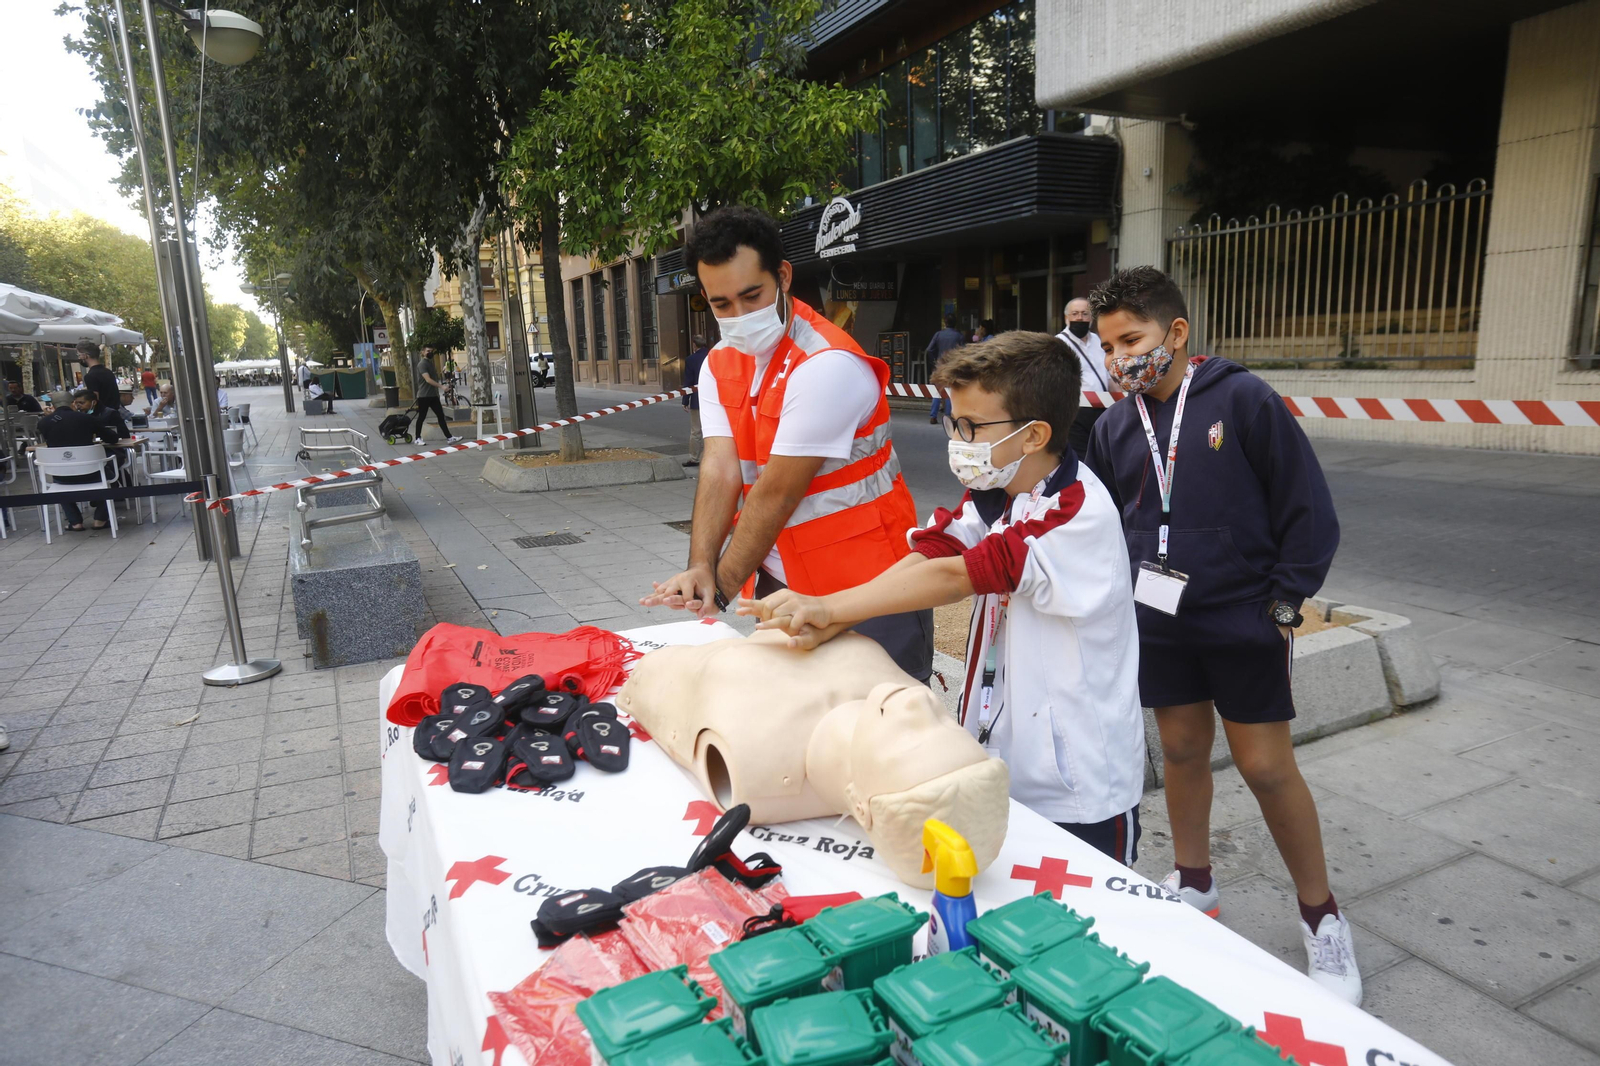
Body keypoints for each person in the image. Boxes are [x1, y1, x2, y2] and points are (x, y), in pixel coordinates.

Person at [741, 331, 1145, 861]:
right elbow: (933, 551)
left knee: (1088, 927)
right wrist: (834, 614)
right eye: (956, 422)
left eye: (972, 426)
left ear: (1033, 435)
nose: (958, 439)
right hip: (1002, 753)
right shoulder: (997, 492)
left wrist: (830, 607)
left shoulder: (1075, 510)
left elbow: (962, 575)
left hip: (1080, 782)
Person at [1082, 266, 1359, 1004]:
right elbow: (1102, 525)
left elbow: (1304, 503)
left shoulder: (1242, 399)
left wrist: (1284, 600)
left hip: (1242, 613)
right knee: (1178, 749)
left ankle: (1322, 916)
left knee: (1265, 767)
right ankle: (1196, 881)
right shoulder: (1112, 426)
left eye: (1130, 340)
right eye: (1106, 346)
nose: (1118, 359)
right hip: (1159, 616)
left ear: (1176, 333)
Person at [641, 205, 933, 680]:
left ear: (783, 276)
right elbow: (720, 467)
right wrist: (699, 565)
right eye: (721, 305)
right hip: (782, 578)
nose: (738, 315)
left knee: (887, 723)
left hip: (871, 586)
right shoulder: (719, 363)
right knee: (801, 727)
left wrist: (718, 589)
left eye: (751, 295)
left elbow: (776, 492)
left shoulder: (826, 363)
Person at [37, 388, 120, 531]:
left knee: (59, 489)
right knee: (112, 482)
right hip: (92, 473)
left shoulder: (44, 423)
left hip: (62, 475)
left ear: (53, 405)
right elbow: (112, 437)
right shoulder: (87, 419)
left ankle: (75, 522)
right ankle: (100, 519)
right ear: (73, 403)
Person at [1057, 297, 1110, 455]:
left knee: (1102, 453)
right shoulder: (1059, 344)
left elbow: (1109, 375)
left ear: (1091, 318)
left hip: (1104, 408)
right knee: (1081, 455)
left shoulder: (1099, 341)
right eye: (1075, 314)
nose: (1080, 318)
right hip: (1076, 411)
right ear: (1067, 318)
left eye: (1085, 313)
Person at [412, 347, 460, 444]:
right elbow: (428, 379)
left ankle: (449, 437)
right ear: (422, 352)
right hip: (424, 396)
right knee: (422, 416)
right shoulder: (422, 364)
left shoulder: (430, 363)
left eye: (431, 351)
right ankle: (417, 438)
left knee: (440, 416)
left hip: (433, 395)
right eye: (428, 351)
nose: (430, 353)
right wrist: (441, 387)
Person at [924, 314, 966, 423]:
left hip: (940, 365)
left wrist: (934, 360)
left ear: (945, 322)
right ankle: (948, 415)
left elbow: (929, 349)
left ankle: (933, 416)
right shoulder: (959, 336)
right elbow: (964, 351)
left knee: (937, 391)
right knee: (950, 390)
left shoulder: (938, 334)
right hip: (953, 365)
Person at [682, 334, 709, 467]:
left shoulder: (691, 359)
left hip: (697, 400)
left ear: (694, 345)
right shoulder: (713, 355)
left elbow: (689, 381)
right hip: (715, 399)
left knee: (696, 430)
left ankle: (694, 458)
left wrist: (685, 400)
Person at [78, 342, 121, 416]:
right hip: (114, 413)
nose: (79, 358)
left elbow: (94, 400)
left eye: (79, 355)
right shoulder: (108, 372)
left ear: (85, 356)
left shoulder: (90, 376)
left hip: (103, 416)